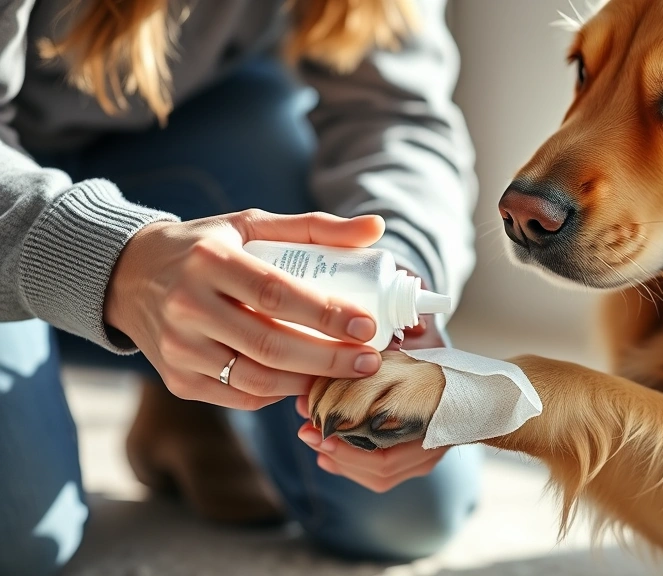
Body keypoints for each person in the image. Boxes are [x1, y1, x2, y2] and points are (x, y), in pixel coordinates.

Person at [0, 0, 483, 574]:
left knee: (404, 508)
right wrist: (116, 262)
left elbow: (398, 113)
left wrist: (398, 265)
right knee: (19, 543)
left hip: (193, 134)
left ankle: (182, 396)